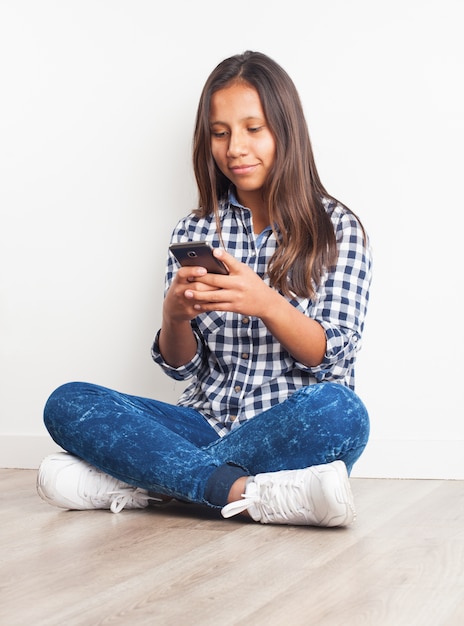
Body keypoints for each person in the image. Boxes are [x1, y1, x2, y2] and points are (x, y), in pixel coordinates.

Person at [37, 51, 372, 527]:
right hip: (200, 423)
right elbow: (182, 368)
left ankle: (149, 482)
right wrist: (173, 318)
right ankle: (244, 492)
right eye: (221, 132)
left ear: (285, 131)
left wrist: (267, 305)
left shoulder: (336, 228)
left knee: (343, 412)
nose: (235, 147)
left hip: (285, 429)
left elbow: (332, 356)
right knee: (68, 401)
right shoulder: (194, 230)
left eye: (253, 129)